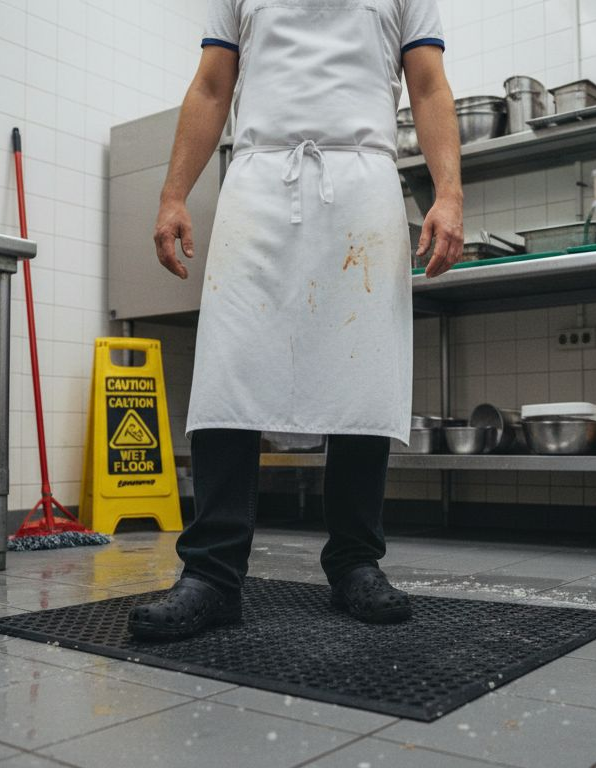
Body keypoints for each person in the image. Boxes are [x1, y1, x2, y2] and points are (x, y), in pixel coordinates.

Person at [129, 0, 463, 641]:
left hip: (361, 181)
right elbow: (210, 84)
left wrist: (447, 193)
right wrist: (174, 194)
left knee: (359, 372)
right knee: (230, 371)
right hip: (258, 181)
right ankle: (212, 574)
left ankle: (354, 563)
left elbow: (427, 84)